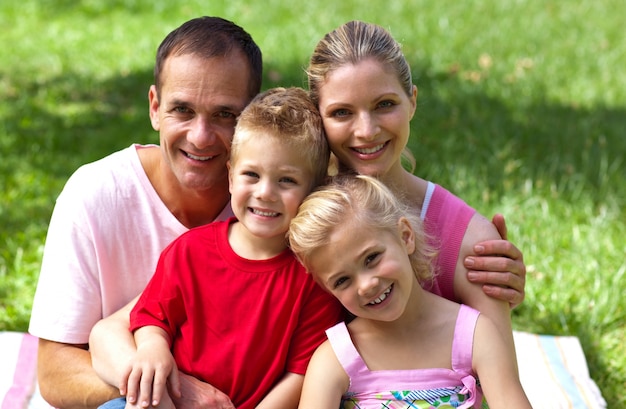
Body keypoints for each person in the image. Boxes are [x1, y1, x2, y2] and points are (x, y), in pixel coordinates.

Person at [28, 16, 262, 408]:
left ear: (253, 115)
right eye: (182, 110)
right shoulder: (95, 195)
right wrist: (175, 393)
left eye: (225, 115)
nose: (200, 137)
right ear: (155, 107)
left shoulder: (275, 205)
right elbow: (54, 370)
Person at [97, 86, 343, 409]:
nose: (265, 192)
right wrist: (153, 349)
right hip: (174, 401)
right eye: (251, 175)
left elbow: (300, 375)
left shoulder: (313, 276)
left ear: (315, 188)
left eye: (286, 180)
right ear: (230, 177)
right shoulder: (189, 252)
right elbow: (152, 318)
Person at [306, 20, 525, 358]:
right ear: (318, 117)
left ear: (412, 101)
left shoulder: (469, 244)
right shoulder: (295, 209)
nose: (366, 130)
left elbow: (499, 385)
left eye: (384, 105)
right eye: (341, 112)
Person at [288, 174, 532, 409]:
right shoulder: (337, 358)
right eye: (342, 281)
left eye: (372, 258)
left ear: (405, 236)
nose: (366, 285)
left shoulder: (473, 335)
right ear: (327, 289)